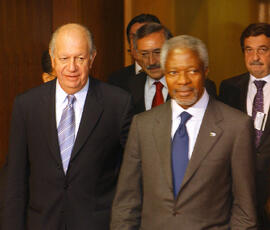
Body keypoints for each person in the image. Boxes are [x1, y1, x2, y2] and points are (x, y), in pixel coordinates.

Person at [111, 35, 257, 230]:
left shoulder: (236, 127)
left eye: (192, 71)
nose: (183, 81)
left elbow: (245, 210)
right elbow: (126, 204)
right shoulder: (142, 125)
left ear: (206, 71)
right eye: (173, 72)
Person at [3, 23, 133, 230]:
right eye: (64, 58)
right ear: (53, 59)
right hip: (41, 223)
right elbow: (15, 177)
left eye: (80, 58)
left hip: (97, 224)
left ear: (92, 58)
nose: (71, 67)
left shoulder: (117, 103)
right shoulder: (26, 105)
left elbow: (132, 176)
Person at [219, 23, 270, 229]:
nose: (254, 57)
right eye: (249, 50)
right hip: (238, 193)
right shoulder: (228, 88)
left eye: (262, 50)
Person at [110, 22, 172, 114]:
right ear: (136, 54)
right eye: (144, 54)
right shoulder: (124, 90)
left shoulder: (186, 84)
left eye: (157, 52)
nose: (151, 61)